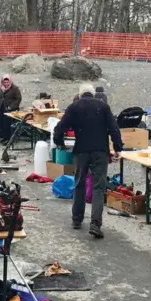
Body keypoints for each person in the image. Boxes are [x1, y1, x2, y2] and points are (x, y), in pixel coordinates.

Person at [53, 84, 122, 239]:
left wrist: (60, 143)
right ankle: (95, 224)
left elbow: (59, 128)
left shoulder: (73, 107)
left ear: (80, 94)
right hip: (100, 152)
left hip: (81, 151)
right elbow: (114, 128)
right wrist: (118, 148)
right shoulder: (104, 107)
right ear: (93, 94)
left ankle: (77, 220)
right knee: (98, 187)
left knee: (79, 184)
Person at [0, 74, 22, 141]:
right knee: (2, 123)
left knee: (8, 124)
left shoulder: (15, 88)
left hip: (10, 109)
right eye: (5, 82)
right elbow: (0, 97)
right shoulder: (2, 88)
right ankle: (4, 137)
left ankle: (9, 139)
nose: (6, 84)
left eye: (7, 82)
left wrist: (11, 106)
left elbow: (18, 99)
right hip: (2, 108)